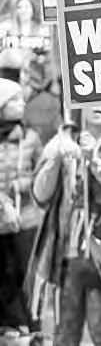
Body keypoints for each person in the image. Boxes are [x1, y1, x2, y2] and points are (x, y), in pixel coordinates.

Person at [29, 105, 101, 346]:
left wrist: (97, 162)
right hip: (64, 254)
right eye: (91, 100)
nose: (97, 105)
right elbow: (40, 195)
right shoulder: (62, 140)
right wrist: (54, 160)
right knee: (64, 334)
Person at [0, 78, 43, 338]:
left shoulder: (30, 137)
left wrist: (25, 183)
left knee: (28, 275)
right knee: (3, 276)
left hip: (25, 218)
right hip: (2, 218)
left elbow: (42, 173)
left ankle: (35, 328)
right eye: (14, 100)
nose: (22, 103)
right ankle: (9, 325)